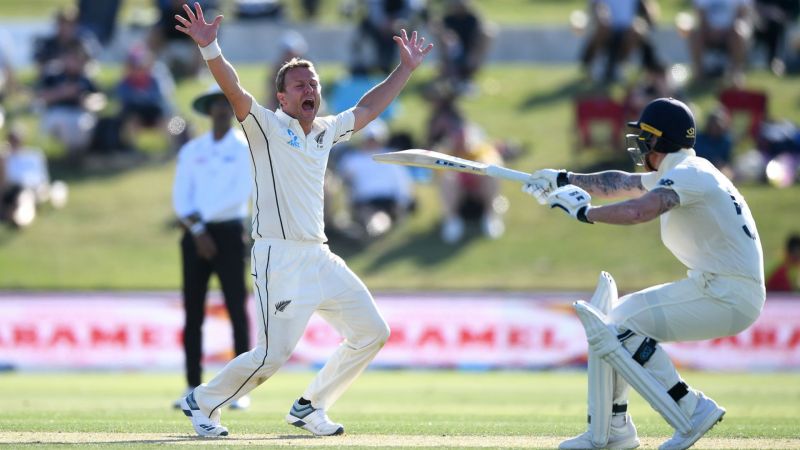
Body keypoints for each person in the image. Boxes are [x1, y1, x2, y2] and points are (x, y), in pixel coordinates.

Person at [174, 2, 432, 437]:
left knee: (372, 331)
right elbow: (235, 90)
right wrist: (210, 47)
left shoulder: (326, 131)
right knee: (272, 355)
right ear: (283, 97)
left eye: (312, 83)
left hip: (319, 256)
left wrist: (404, 70)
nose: (308, 88)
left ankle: (310, 406)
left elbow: (368, 110)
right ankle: (203, 402)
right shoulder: (266, 127)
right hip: (279, 257)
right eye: (298, 85)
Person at [523, 98, 765, 450]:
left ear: (658, 140)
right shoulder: (685, 170)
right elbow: (621, 182)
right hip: (722, 289)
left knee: (620, 327)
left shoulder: (688, 175)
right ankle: (615, 429)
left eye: (645, 138)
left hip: (728, 294)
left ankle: (691, 407)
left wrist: (586, 214)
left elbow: (639, 211)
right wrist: (564, 178)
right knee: (614, 321)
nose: (639, 145)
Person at [171, 85, 253, 411]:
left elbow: (238, 194)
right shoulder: (192, 150)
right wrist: (197, 229)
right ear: (208, 111)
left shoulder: (245, 149)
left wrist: (204, 226)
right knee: (193, 311)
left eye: (226, 104)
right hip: (195, 233)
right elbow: (181, 196)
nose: (221, 110)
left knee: (236, 308)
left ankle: (239, 389)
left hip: (229, 233)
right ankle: (192, 385)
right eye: (216, 105)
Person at [337, 119, 415, 239]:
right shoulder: (353, 160)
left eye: (374, 139)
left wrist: (403, 202)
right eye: (369, 139)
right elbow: (342, 179)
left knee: (380, 217)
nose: (371, 142)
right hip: (364, 202)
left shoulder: (391, 157)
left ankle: (372, 231)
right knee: (368, 215)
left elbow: (402, 182)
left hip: (387, 201)